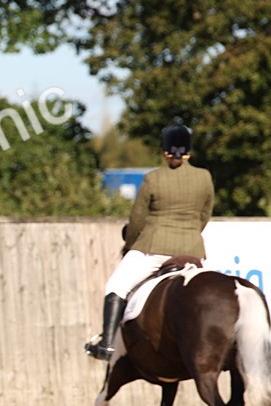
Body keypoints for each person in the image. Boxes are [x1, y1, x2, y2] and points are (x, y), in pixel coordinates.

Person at [85, 122, 215, 360]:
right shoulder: (205, 177)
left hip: (154, 248)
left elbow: (136, 219)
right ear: (188, 151)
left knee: (116, 286)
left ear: (164, 151)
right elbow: (205, 215)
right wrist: (190, 235)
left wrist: (130, 245)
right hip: (193, 250)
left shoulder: (152, 179)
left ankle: (106, 345)